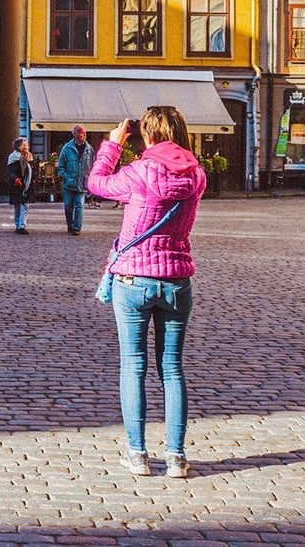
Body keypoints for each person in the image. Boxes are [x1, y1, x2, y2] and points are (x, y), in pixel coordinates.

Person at [87, 106, 206, 480]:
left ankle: (137, 455)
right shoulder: (197, 175)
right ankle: (176, 458)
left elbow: (97, 184)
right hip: (176, 279)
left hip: (133, 279)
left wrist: (113, 144)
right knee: (172, 368)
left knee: (133, 366)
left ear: (148, 136)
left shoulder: (139, 172)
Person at [57, 125, 95, 234]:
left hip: (82, 184)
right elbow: (60, 167)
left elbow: (93, 166)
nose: (84, 135)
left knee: (79, 206)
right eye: (81, 133)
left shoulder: (89, 149)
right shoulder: (67, 148)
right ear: (75, 134)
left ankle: (76, 228)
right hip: (69, 184)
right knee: (68, 207)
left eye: (85, 133)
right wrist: (67, 178)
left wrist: (90, 180)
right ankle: (70, 225)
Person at [6, 137, 34, 235]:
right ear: (19, 147)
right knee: (17, 206)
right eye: (25, 145)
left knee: (25, 205)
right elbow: (10, 171)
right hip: (16, 185)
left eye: (27, 145)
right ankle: (18, 225)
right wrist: (15, 179)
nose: (27, 147)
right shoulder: (12, 157)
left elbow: (33, 170)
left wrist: (33, 179)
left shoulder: (30, 157)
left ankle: (22, 226)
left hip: (27, 184)